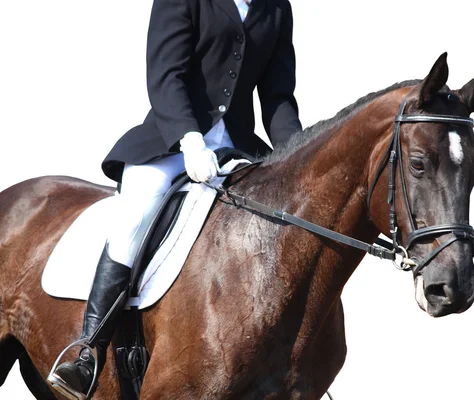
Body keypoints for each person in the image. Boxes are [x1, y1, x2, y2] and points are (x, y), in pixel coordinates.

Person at [47, 0, 302, 396]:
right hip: (173, 143)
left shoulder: (276, 7)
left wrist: (297, 157)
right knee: (136, 216)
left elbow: (278, 97)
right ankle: (88, 352)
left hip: (238, 150)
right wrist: (189, 138)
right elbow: (166, 74)